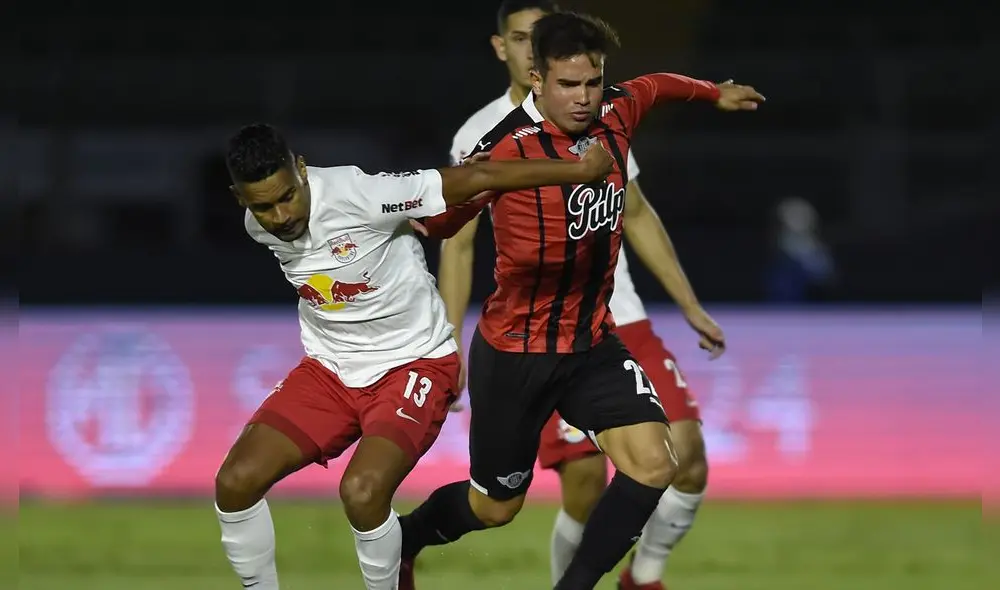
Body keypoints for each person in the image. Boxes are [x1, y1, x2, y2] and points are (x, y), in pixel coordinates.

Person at [397, 12, 765, 590]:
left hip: (593, 343)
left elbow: (657, 85)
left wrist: (712, 93)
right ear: (537, 79)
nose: (583, 97)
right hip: (516, 355)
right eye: (568, 85)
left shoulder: (618, 110)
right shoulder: (501, 149)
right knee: (495, 507)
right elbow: (446, 224)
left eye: (591, 82)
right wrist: (417, 223)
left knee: (655, 463)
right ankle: (407, 538)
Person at [214, 122, 614, 590]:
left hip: (414, 362)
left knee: (363, 492)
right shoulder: (257, 227)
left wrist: (577, 170)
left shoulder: (357, 193)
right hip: (329, 370)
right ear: (240, 199)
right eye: (263, 206)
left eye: (287, 196)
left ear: (300, 169)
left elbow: (477, 181)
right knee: (235, 482)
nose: (281, 215)